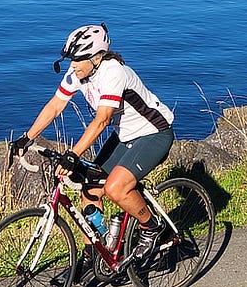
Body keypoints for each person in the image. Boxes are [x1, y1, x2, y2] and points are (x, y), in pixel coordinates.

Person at [10, 24, 176, 262]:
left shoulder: (113, 73)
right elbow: (56, 105)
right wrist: (27, 137)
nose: (73, 64)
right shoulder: (79, 72)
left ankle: (151, 227)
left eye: (78, 59)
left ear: (96, 57)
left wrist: (73, 154)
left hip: (154, 134)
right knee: (90, 187)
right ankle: (94, 253)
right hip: (125, 136)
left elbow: (102, 120)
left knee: (115, 188)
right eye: (71, 59)